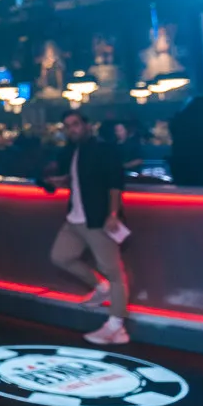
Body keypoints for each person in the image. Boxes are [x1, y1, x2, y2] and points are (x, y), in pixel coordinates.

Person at [48, 110, 130, 345]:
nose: (71, 129)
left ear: (87, 125)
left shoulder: (104, 149)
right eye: (67, 126)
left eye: (75, 124)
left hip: (97, 218)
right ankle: (100, 287)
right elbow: (77, 180)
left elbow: (115, 184)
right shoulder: (73, 151)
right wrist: (60, 181)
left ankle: (116, 327)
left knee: (114, 273)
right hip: (75, 218)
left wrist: (112, 214)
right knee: (60, 257)